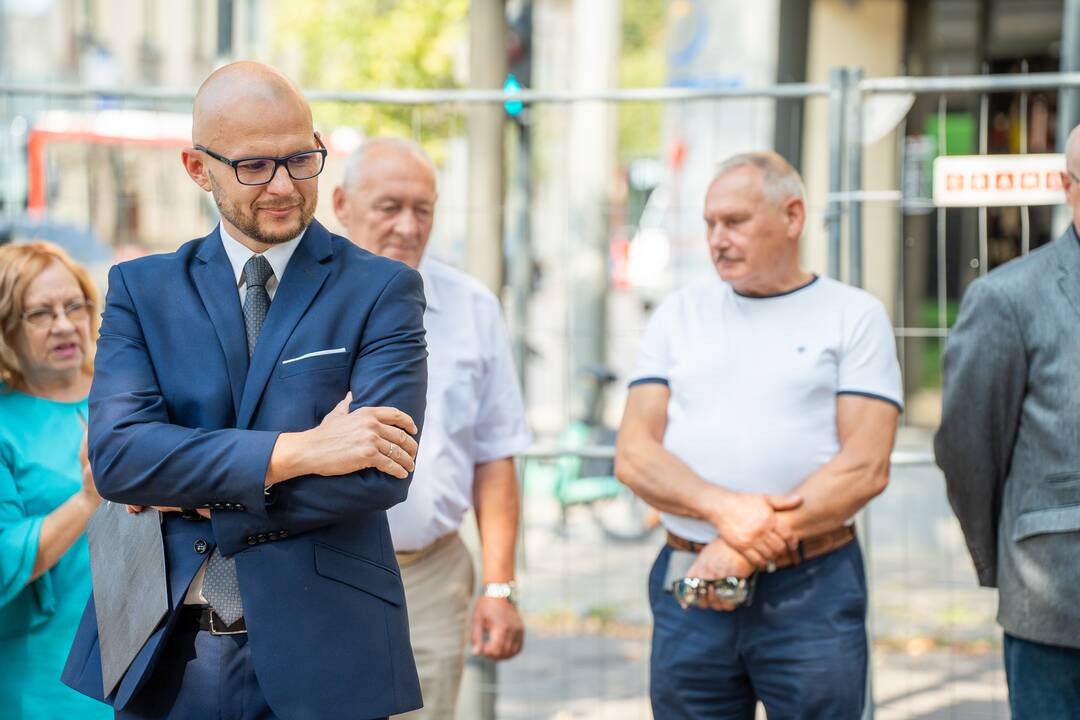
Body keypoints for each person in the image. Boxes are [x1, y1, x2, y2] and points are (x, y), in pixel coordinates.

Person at [61, 62, 428, 720]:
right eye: (255, 166)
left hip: (328, 653)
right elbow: (120, 459)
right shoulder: (142, 290)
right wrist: (299, 451)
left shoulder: (381, 290)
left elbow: (378, 474)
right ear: (198, 168)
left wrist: (194, 498)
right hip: (164, 653)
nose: (284, 185)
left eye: (300, 158)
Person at [615, 151, 903, 719]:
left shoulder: (853, 315)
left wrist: (743, 547)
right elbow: (635, 453)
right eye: (709, 224)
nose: (717, 239)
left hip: (811, 590)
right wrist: (727, 513)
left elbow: (865, 465)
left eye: (735, 222)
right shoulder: (678, 314)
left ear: (792, 217)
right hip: (691, 582)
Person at [332, 137, 530, 719]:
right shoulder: (293, 301)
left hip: (431, 575)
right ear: (342, 204)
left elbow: (494, 455)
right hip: (318, 570)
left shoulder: (472, 307)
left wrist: (498, 587)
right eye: (389, 206)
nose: (407, 225)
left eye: (423, 209)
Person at [934, 126, 1080, 717]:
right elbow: (968, 448)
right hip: (1059, 603)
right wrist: (1011, 559)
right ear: (1067, 186)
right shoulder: (1008, 297)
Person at [0, 241, 110, 720]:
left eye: (74, 306)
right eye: (40, 314)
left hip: (156, 662)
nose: (65, 325)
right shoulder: (6, 423)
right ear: (6, 328)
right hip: (46, 675)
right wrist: (88, 499)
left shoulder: (129, 394)